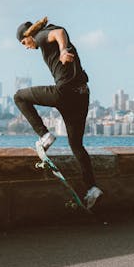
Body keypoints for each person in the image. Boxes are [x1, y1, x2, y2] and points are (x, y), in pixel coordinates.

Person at [13, 17, 103, 210]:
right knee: (76, 145)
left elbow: (59, 33)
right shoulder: (45, 39)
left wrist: (63, 50)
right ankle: (92, 188)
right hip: (82, 95)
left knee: (19, 96)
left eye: (23, 42)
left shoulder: (43, 35)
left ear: (28, 35)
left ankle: (44, 135)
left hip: (65, 93)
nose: (26, 47)